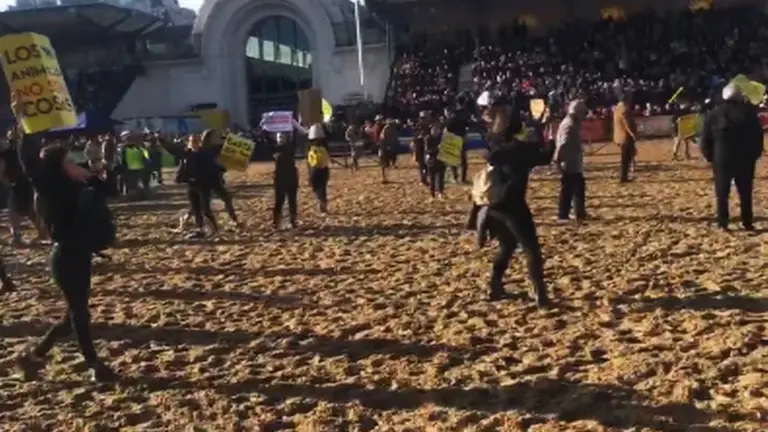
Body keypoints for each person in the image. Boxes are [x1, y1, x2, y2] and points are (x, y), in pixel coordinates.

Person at [15, 143, 118, 382]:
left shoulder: (80, 185)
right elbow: (29, 164)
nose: (75, 164)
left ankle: (35, 355)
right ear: (57, 167)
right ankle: (93, 363)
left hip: (81, 255)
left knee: (70, 318)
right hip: (66, 258)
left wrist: (101, 170)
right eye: (69, 161)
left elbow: (110, 190)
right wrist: (24, 134)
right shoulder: (51, 188)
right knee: (79, 314)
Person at [468, 92, 553, 307]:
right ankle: (539, 293)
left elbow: (499, 153)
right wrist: (545, 139)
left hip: (494, 201)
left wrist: (534, 137)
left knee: (507, 245)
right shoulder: (517, 145)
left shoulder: (493, 137)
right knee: (530, 248)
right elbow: (542, 157)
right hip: (513, 202)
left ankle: (494, 286)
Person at [700, 82, 763, 231]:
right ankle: (747, 221)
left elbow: (705, 140)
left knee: (722, 193)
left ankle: (723, 222)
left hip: (721, 158)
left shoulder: (713, 114)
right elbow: (758, 137)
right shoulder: (749, 113)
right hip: (745, 158)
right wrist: (754, 155)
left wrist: (711, 157)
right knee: (745, 192)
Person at [554, 100, 588, 222]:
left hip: (572, 160)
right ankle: (575, 214)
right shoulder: (569, 125)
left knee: (570, 188)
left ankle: (569, 214)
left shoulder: (572, 123)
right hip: (569, 162)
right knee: (574, 188)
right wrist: (557, 160)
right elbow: (563, 143)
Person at [272, 132, 298, 229]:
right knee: (279, 201)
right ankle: (276, 221)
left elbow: (294, 139)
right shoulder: (274, 149)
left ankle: (293, 220)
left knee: (292, 200)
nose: (281, 139)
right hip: (280, 179)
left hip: (291, 177)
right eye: (279, 137)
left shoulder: (290, 148)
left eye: (283, 137)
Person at [613, 92, 637, 183]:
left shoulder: (617, 108)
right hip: (625, 136)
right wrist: (633, 134)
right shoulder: (624, 109)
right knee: (626, 158)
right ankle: (623, 177)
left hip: (619, 136)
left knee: (626, 157)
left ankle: (624, 176)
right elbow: (628, 124)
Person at [306, 124, 330, 213]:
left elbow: (310, 161)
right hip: (324, 169)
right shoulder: (324, 147)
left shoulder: (311, 148)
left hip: (315, 170)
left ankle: (321, 202)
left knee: (316, 187)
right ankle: (323, 202)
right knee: (322, 188)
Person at [424, 124, 446, 198]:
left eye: (437, 130)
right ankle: (432, 191)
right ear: (431, 131)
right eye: (433, 130)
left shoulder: (442, 138)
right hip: (432, 160)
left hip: (441, 159)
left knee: (440, 177)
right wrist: (437, 148)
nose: (435, 131)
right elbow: (427, 150)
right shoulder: (428, 138)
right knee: (432, 177)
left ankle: (440, 191)